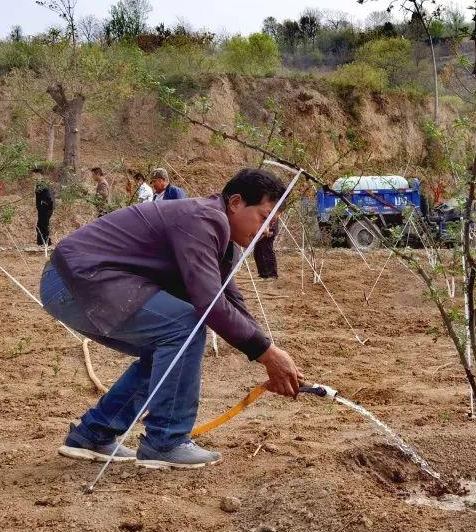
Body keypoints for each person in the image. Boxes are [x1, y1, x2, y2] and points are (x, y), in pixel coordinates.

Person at [40, 168, 303, 469]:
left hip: (77, 281)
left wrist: (271, 352)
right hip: (73, 280)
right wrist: (268, 355)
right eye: (264, 216)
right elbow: (210, 306)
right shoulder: (204, 219)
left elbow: (230, 301)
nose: (268, 228)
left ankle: (95, 433)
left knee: (167, 346)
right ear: (236, 203)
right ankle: (166, 441)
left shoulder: (220, 235)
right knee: (184, 325)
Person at [33, 167, 55, 247]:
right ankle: (41, 243)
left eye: (35, 175)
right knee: (40, 226)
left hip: (45, 209)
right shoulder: (40, 183)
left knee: (43, 226)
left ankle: (46, 244)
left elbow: (49, 196)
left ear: (40, 175)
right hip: (42, 209)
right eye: (33, 175)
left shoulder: (42, 184)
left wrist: (44, 203)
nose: (33, 177)